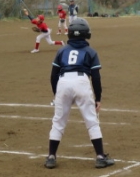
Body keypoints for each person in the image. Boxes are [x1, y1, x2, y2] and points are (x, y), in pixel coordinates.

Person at [44, 18, 114, 169]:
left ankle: (51, 156)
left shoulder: (61, 50)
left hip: (63, 82)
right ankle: (100, 157)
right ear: (86, 34)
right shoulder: (90, 52)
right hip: (82, 81)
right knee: (91, 121)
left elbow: (53, 75)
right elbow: (95, 77)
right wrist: (98, 98)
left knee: (58, 121)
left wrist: (56, 94)